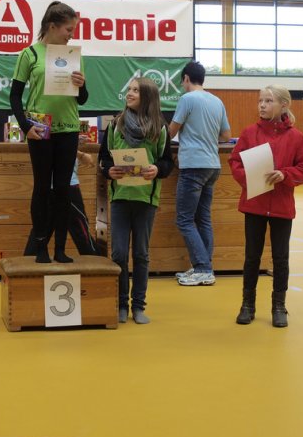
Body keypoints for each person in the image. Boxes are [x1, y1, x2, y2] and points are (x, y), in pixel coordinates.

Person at [9, 1, 88, 263]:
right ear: (52, 26)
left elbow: (82, 99)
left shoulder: (74, 55)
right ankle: (41, 247)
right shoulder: (29, 54)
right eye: (68, 29)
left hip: (68, 129)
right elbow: (15, 95)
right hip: (40, 129)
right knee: (42, 187)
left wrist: (82, 85)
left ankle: (60, 250)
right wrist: (25, 126)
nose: (71, 35)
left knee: (63, 189)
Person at [228, 85, 303, 327]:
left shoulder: (297, 138)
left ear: (284, 105)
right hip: (254, 204)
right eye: (260, 101)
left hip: (281, 206)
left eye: (268, 101)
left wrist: (285, 175)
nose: (262, 105)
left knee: (281, 258)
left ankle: (279, 306)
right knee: (251, 257)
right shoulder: (249, 133)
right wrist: (250, 180)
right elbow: (235, 161)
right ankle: (247, 305)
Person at [99, 78, 174, 324]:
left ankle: (138, 306)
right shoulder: (115, 125)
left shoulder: (159, 128)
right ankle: (121, 304)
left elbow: (167, 162)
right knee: (119, 253)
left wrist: (157, 169)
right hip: (120, 198)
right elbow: (104, 159)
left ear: (148, 97)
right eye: (129, 89)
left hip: (146, 200)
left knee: (141, 254)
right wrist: (108, 170)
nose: (129, 93)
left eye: (135, 91)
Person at [169, 61, 230, 286]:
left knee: (184, 220)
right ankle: (204, 267)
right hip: (213, 166)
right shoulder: (217, 101)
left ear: (186, 78)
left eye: (182, 81)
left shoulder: (187, 99)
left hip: (193, 165)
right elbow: (226, 135)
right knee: (203, 218)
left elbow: (171, 132)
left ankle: (203, 268)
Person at [23, 147, 100, 258]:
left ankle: (27, 262)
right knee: (81, 232)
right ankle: (95, 261)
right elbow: (57, 145)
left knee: (41, 230)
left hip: (51, 185)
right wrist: (80, 154)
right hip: (66, 185)